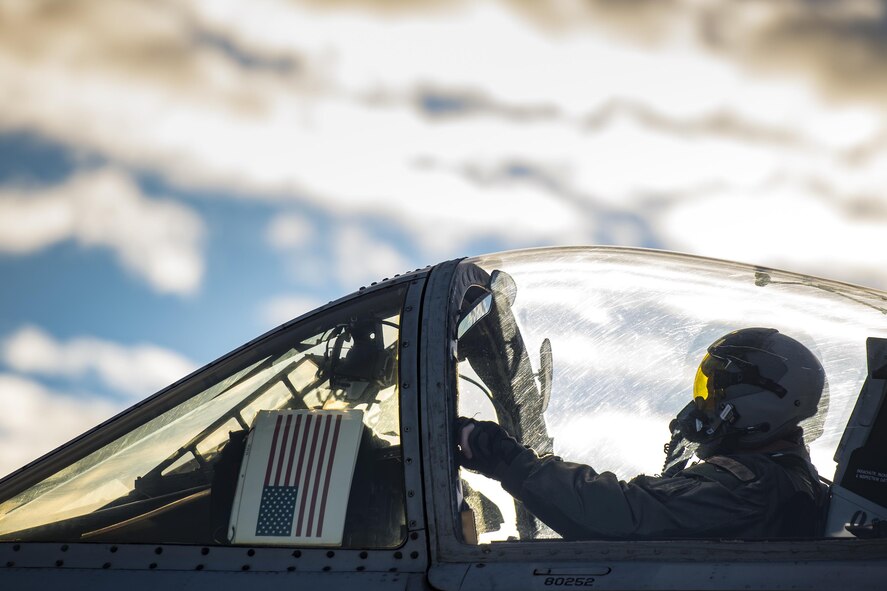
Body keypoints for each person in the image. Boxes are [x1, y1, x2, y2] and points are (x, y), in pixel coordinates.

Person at [455, 327, 829, 539]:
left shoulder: (752, 486)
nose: (701, 405)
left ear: (759, 403)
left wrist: (506, 459)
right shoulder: (789, 480)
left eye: (712, 393)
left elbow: (620, 514)